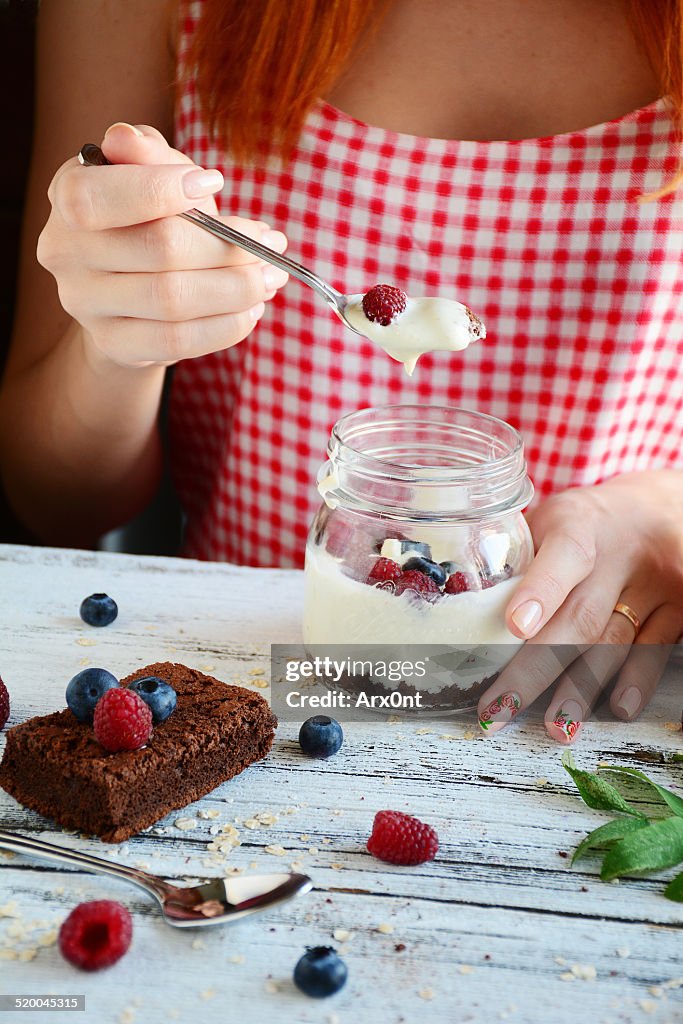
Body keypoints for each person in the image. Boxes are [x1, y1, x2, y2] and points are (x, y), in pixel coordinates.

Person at [1, 0, 682, 741]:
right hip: (258, 682)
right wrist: (118, 339)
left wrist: (665, 520)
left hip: (586, 697)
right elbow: (53, 501)